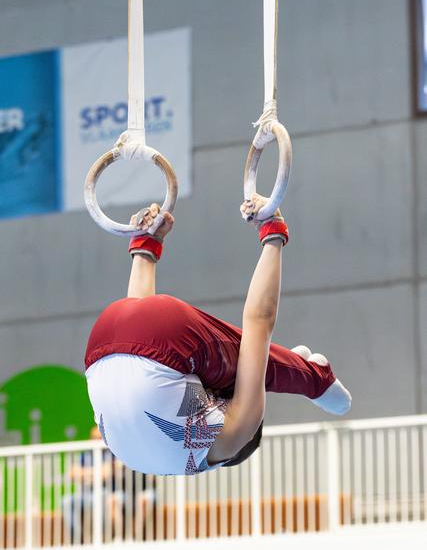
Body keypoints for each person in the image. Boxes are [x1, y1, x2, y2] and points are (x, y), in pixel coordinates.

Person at [85, 194, 352, 476]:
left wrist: (273, 235)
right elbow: (135, 330)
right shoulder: (139, 458)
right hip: (102, 343)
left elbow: (259, 321)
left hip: (157, 340)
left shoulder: (232, 438)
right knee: (211, 368)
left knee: (248, 359)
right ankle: (144, 248)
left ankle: (314, 379)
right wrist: (145, 248)